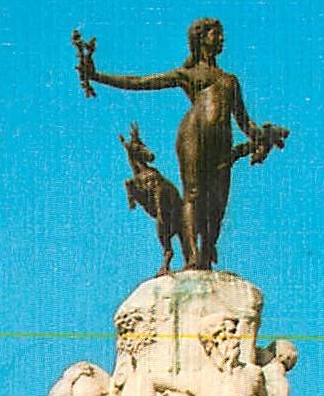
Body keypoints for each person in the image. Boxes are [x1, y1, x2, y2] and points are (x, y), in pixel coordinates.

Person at [75, 18, 283, 271]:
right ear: (200, 38)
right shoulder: (188, 74)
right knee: (194, 193)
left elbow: (244, 122)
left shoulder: (230, 80)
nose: (221, 39)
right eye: (215, 34)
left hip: (222, 141)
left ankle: (206, 257)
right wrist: (97, 76)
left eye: (221, 34)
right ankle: (192, 257)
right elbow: (140, 82)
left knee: (218, 204)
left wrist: (264, 135)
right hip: (193, 135)